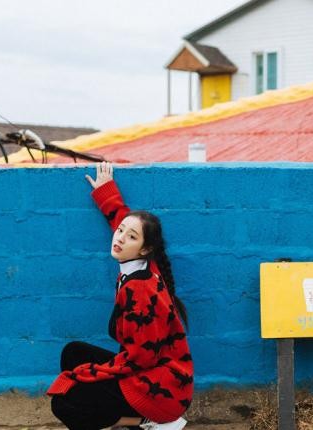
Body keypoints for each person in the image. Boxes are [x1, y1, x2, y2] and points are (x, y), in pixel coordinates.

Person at [48, 162, 193, 430]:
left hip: (158, 389)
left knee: (65, 402)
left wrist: (85, 375)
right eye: (121, 231)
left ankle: (150, 422)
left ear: (143, 249)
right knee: (73, 353)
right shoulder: (146, 265)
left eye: (131, 236)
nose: (121, 237)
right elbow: (125, 219)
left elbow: (140, 359)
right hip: (156, 375)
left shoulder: (140, 290)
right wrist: (107, 193)